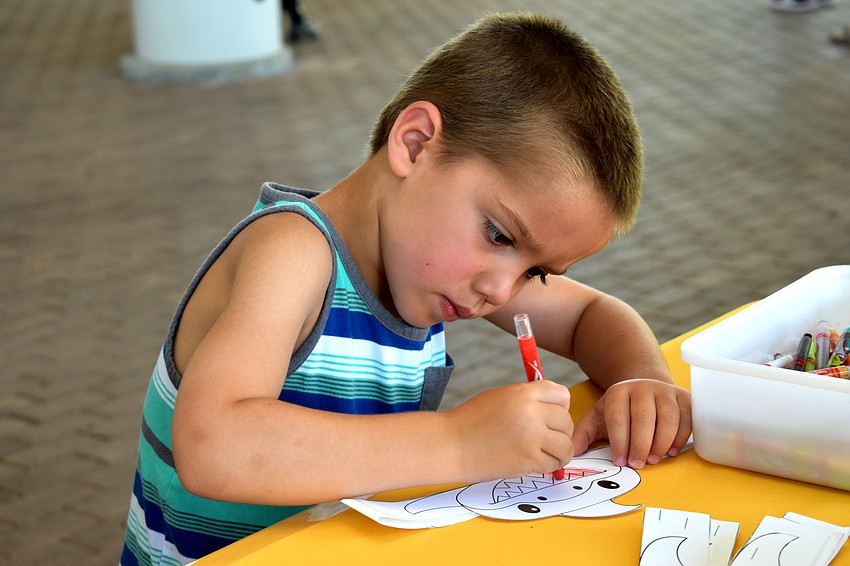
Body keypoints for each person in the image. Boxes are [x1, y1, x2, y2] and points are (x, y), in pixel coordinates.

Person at [120, 12, 692, 565]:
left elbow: (592, 314)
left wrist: (642, 380)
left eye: (536, 274)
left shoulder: (446, 266)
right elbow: (214, 446)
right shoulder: (293, 253)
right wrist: (459, 442)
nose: (501, 290)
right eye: (498, 234)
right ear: (415, 144)